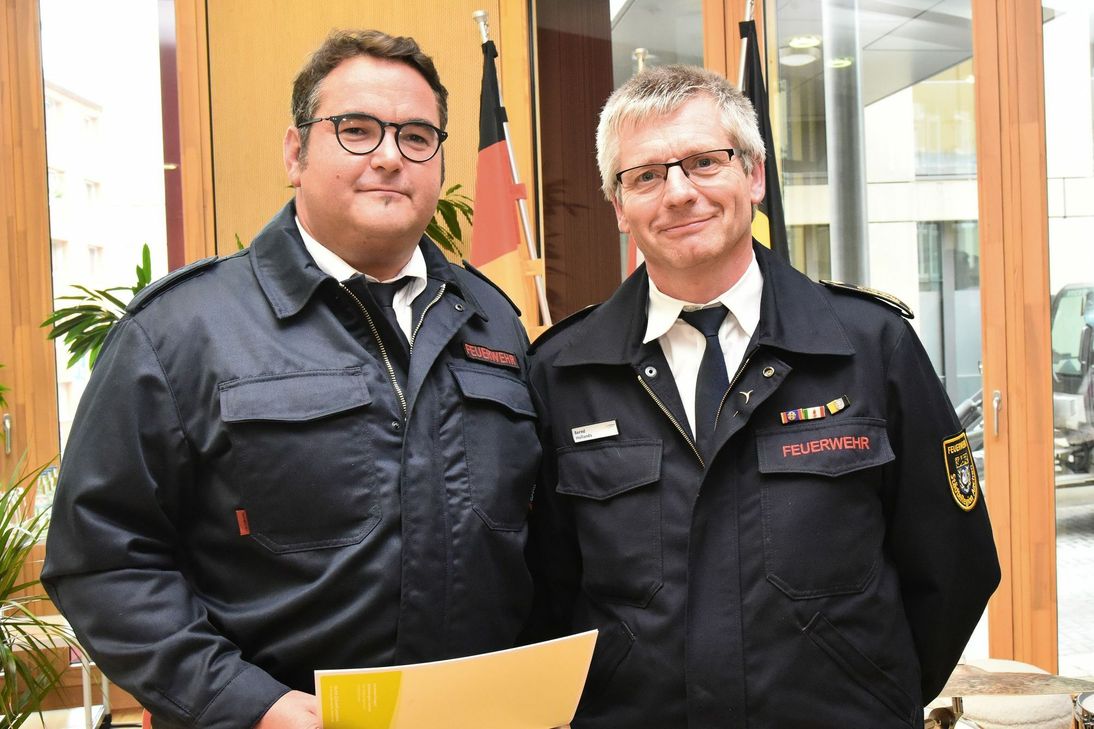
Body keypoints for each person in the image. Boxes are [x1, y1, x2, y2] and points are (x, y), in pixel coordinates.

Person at [43, 29, 540, 729]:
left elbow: (535, 536)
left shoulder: (494, 321)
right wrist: (248, 703)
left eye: (417, 136)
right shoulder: (182, 331)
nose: (390, 156)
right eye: (357, 130)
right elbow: (102, 560)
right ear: (295, 151)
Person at [525, 65, 1000, 728]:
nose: (679, 193)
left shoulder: (869, 346)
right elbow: (543, 588)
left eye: (704, 162)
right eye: (646, 176)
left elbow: (954, 562)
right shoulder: (562, 372)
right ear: (619, 207)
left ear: (753, 175)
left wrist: (871, 691)